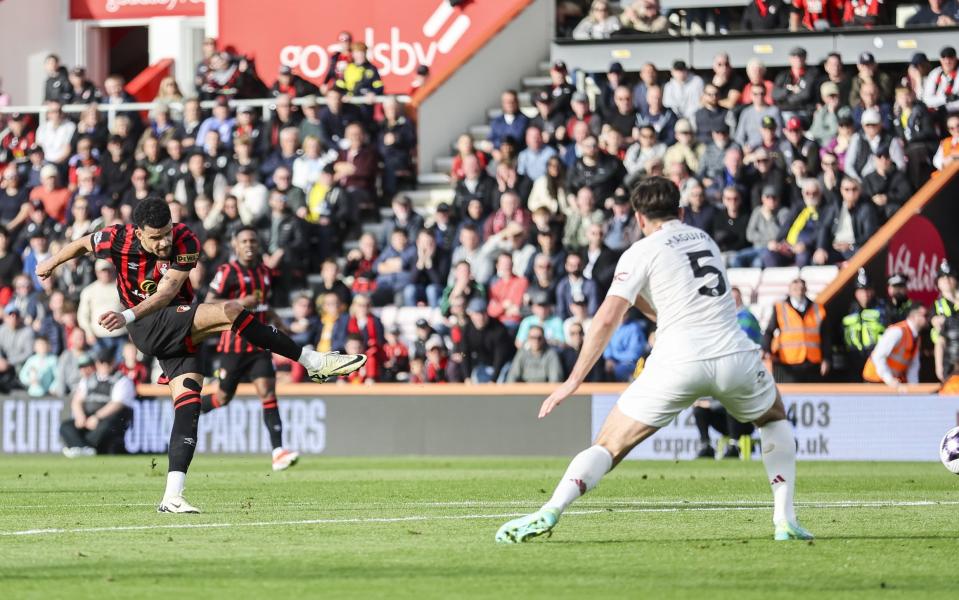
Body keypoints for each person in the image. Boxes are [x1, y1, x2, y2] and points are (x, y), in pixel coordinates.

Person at [496, 177, 812, 543]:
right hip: (733, 355)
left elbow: (607, 317)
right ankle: (784, 518)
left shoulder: (640, 251)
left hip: (677, 361)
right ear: (680, 211)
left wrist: (573, 379)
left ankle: (552, 507)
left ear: (639, 218)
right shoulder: (704, 239)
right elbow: (679, 300)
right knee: (774, 418)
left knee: (608, 445)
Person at [35, 198, 366, 513]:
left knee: (189, 407)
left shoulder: (185, 239)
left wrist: (127, 315)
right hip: (146, 325)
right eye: (156, 238)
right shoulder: (116, 238)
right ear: (138, 233)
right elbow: (81, 244)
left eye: (166, 234)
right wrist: (50, 263)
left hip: (170, 319)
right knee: (232, 310)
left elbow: (166, 292)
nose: (164, 243)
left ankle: (172, 496)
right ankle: (313, 362)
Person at [201, 227, 300, 471]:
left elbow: (264, 305)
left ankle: (278, 452)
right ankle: (189, 409)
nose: (249, 244)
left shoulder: (265, 272)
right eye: (244, 240)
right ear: (235, 245)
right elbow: (208, 303)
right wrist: (237, 304)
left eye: (253, 241)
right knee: (223, 398)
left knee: (267, 392)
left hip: (259, 346)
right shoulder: (227, 272)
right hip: (233, 346)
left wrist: (279, 322)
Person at [58, 349, 135, 457]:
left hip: (107, 418)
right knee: (66, 426)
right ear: (97, 363)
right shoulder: (88, 379)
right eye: (102, 362)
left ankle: (81, 448)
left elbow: (117, 404)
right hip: (87, 418)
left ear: (113, 362)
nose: (104, 365)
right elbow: (77, 401)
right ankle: (84, 448)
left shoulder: (122, 380)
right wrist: (80, 416)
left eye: (107, 362)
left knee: (107, 426)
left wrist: (97, 417)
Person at [763, 278, 830, 383]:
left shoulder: (818, 308)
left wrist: (826, 359)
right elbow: (769, 332)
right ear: (789, 290)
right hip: (789, 363)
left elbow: (825, 337)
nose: (799, 291)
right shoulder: (780, 308)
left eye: (801, 288)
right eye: (795, 289)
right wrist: (767, 351)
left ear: (806, 289)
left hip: (812, 363)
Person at [863, 305, 929, 389]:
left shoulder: (916, 338)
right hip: (875, 381)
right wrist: (889, 379)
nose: (928, 318)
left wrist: (913, 389)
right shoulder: (897, 331)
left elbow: (913, 365)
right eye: (925, 315)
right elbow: (878, 356)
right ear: (913, 316)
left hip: (891, 383)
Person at [842, 270, 887, 382]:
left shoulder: (883, 308)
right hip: (853, 360)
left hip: (875, 360)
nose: (865, 294)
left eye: (868, 290)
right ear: (856, 292)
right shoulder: (848, 310)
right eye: (861, 290)